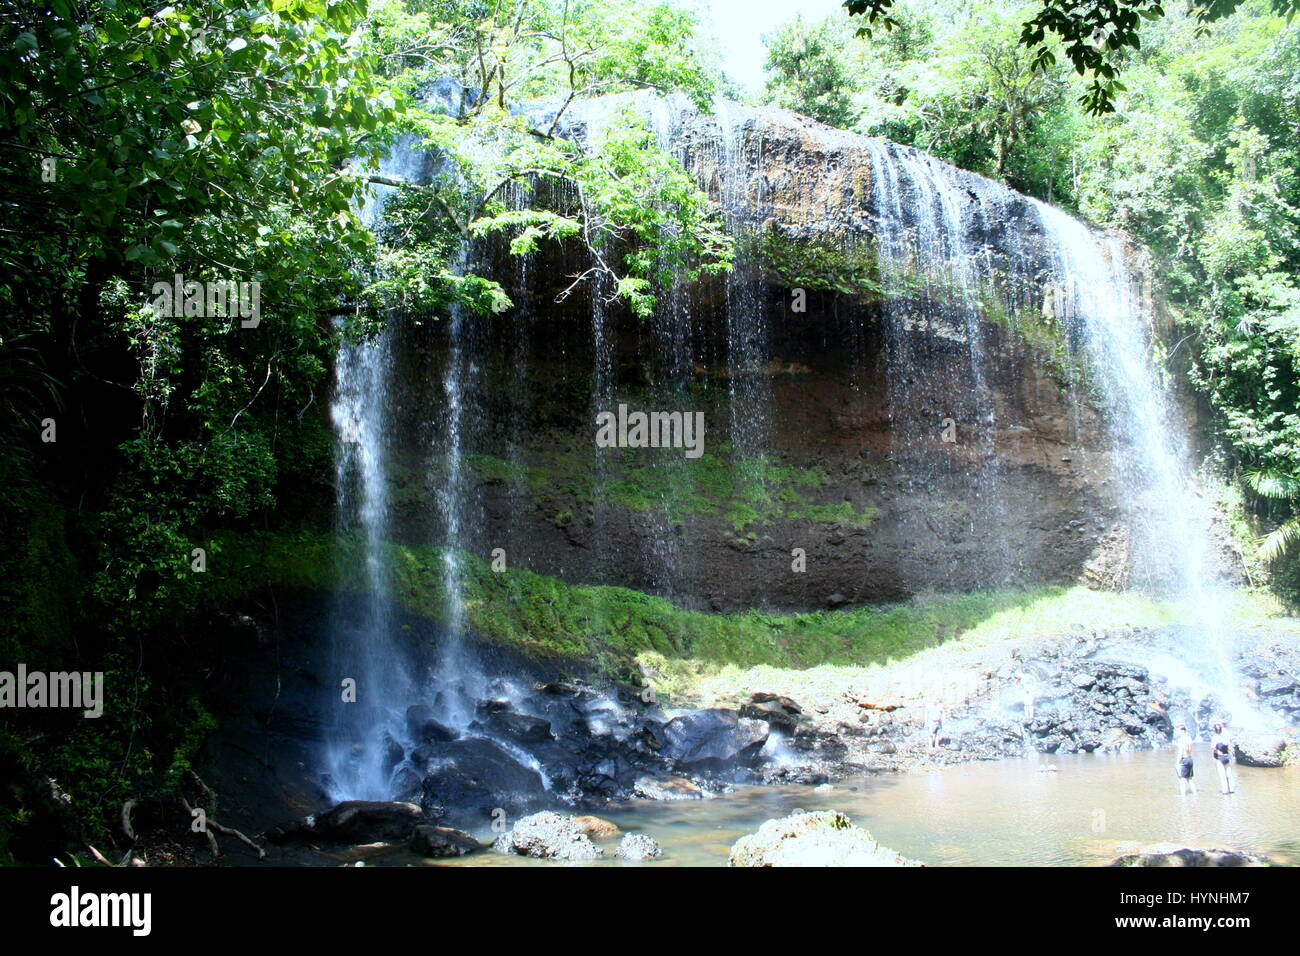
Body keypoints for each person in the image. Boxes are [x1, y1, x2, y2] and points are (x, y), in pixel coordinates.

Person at [1211, 722, 1236, 794]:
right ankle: (1232, 789)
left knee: (1222, 775)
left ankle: (1225, 791)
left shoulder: (1215, 738)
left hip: (1219, 757)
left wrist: (1214, 757)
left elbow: (1213, 748)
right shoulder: (1225, 736)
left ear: (1215, 730)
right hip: (1227, 756)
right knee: (1229, 774)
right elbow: (1230, 747)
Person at [1175, 729, 1197, 796]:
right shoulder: (1189, 738)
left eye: (1178, 731)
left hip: (1184, 760)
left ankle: (1183, 796)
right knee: (1189, 779)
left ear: (1182, 731)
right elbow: (1189, 749)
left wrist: (1177, 762)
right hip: (1190, 759)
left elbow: (1181, 752)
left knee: (1181, 779)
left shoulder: (1181, 740)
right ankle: (1195, 794)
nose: (1177, 732)